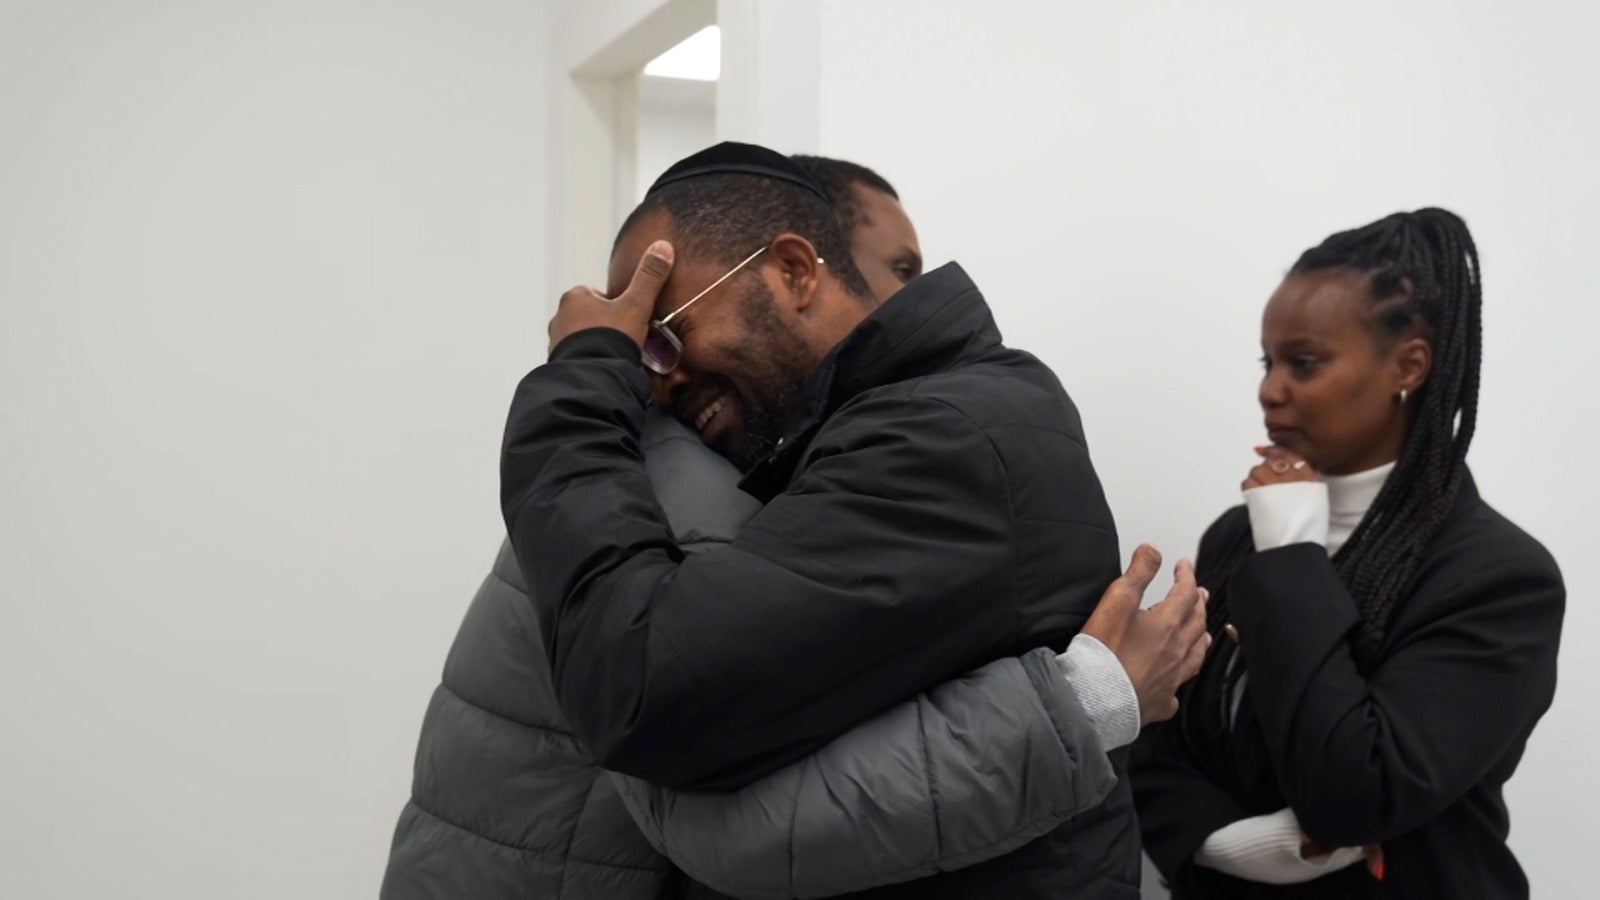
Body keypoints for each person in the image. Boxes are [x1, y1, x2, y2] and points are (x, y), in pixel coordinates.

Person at [382, 150, 1207, 899]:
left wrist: (578, 386)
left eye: (665, 337)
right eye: (638, 357)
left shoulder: (943, 435)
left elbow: (643, 694)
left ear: (793, 270)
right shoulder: (816, 446)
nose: (657, 383)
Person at [1130, 208, 1565, 898]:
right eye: (1268, 362)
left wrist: (1292, 554)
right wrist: (1231, 847)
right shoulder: (1237, 536)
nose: (1270, 390)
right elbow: (1154, 742)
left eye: (1304, 363)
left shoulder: (1499, 579)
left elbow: (1355, 792)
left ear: (1408, 366)